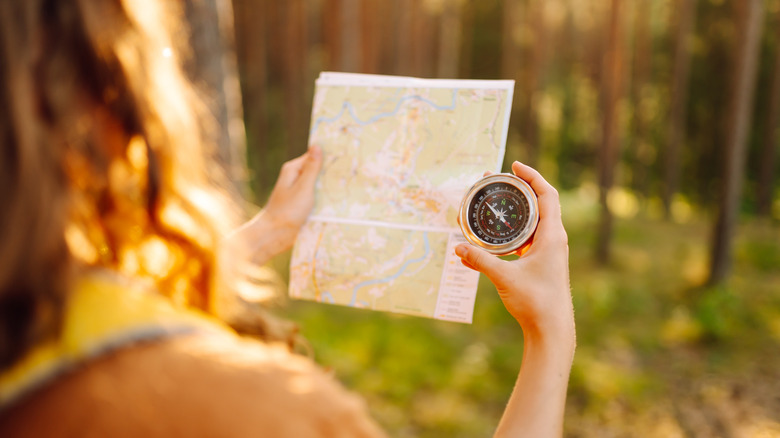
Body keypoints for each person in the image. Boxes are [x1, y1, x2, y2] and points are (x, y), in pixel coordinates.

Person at [0, 0, 575, 437]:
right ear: (110, 100)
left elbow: (119, 307)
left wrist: (268, 232)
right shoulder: (270, 413)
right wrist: (550, 336)